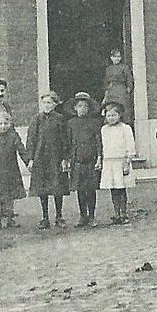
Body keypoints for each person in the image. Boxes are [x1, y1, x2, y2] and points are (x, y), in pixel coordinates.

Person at [23, 91, 71, 230]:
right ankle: (45, 217)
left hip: (56, 157)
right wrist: (30, 159)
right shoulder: (36, 119)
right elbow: (31, 140)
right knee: (42, 189)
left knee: (57, 188)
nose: (46, 105)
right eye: (44, 102)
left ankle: (59, 216)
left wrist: (65, 158)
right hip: (41, 158)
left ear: (55, 104)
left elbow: (65, 140)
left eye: (49, 102)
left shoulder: (60, 119)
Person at [66, 92, 103, 227]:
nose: (82, 109)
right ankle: (83, 216)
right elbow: (68, 142)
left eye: (85, 106)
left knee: (91, 189)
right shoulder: (70, 123)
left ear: (89, 108)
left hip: (91, 161)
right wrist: (68, 159)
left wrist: (99, 158)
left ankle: (92, 216)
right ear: (75, 108)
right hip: (77, 161)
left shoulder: (94, 123)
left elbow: (98, 141)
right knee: (80, 190)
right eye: (79, 106)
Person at [98, 100, 137, 225]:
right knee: (113, 189)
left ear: (119, 115)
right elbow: (103, 146)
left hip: (121, 161)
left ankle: (124, 213)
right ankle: (116, 213)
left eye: (114, 115)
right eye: (109, 116)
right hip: (109, 162)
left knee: (121, 188)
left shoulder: (125, 128)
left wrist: (127, 161)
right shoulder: (104, 129)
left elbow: (130, 145)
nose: (111, 118)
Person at [102, 49, 135, 123]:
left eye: (118, 57)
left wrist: (128, 89)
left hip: (121, 90)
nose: (117, 58)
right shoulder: (108, 69)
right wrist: (107, 90)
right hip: (111, 91)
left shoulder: (124, 67)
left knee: (122, 106)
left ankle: (124, 122)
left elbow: (129, 79)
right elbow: (105, 81)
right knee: (111, 106)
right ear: (111, 58)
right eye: (115, 57)